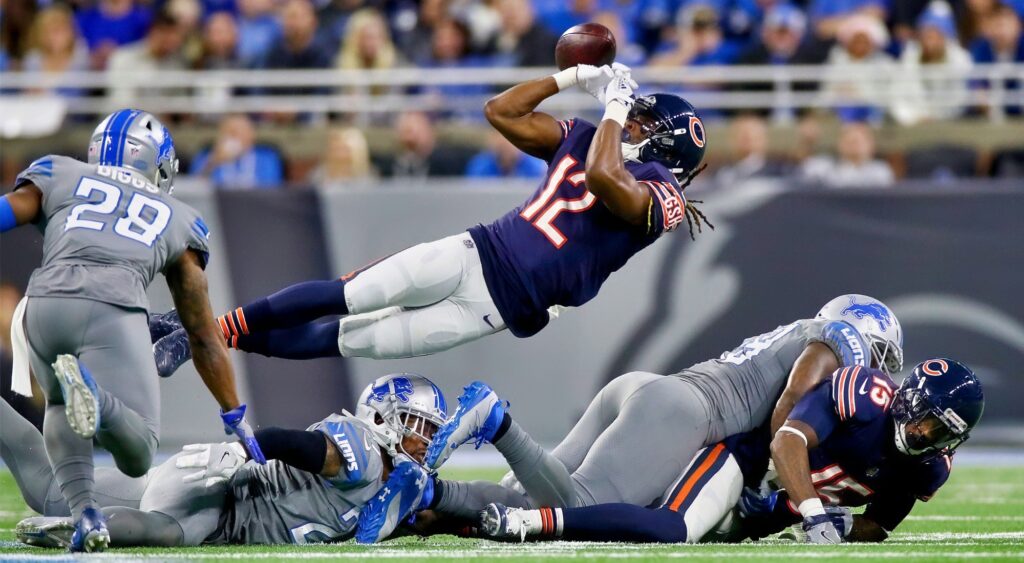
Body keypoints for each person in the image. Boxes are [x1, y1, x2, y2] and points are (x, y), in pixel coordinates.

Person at [152, 63, 713, 370]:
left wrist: (613, 106)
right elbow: (502, 111)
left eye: (640, 122)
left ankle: (201, 335)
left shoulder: (664, 194)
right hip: (476, 253)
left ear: (665, 147)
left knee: (347, 340)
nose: (629, 122)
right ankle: (201, 332)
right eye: (630, 115)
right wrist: (571, 79)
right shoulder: (586, 137)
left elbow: (603, 179)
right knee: (347, 294)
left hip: (493, 309)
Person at [353, 294, 906, 542]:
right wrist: (772, 472)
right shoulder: (839, 342)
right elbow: (790, 403)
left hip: (659, 394)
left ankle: (425, 496)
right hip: (685, 413)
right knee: (577, 511)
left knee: (525, 498)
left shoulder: (812, 329)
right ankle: (496, 421)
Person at [0, 109, 263, 552]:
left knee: (62, 409)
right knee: (139, 450)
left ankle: (85, 514)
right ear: (155, 163)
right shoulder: (178, 216)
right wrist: (235, 414)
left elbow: (9, 212)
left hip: (40, 306)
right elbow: (201, 333)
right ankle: (96, 398)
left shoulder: (62, 172)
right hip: (110, 304)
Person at [478, 358, 983, 544]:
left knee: (643, 515)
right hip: (742, 465)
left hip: (759, 516)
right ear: (905, 399)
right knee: (672, 527)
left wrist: (848, 525)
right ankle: (533, 523)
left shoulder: (927, 468)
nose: (922, 435)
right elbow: (788, 442)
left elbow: (881, 525)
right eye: (923, 420)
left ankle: (487, 501)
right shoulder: (864, 395)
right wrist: (813, 513)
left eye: (939, 432)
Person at [11, 374, 446, 547]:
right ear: (381, 417)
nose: (427, 437)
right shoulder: (364, 454)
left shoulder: (396, 484)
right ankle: (93, 524)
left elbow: (439, 510)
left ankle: (83, 513)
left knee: (47, 489)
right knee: (169, 531)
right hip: (221, 497)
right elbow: (293, 442)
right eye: (418, 424)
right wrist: (242, 449)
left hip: (195, 480)